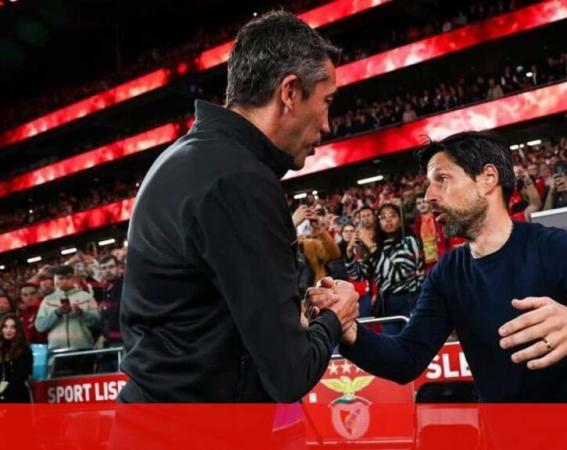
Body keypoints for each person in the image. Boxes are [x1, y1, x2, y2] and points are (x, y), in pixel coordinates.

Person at [311, 132, 567, 407]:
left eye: (442, 179)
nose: (428, 196)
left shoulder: (553, 248)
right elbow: (406, 359)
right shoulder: (447, 274)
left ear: (487, 179)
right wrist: (348, 330)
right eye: (427, 184)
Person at [118, 11, 358, 403]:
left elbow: (214, 319)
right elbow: (290, 374)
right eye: (326, 101)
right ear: (290, 92)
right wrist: (336, 315)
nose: (328, 124)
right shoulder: (239, 181)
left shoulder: (185, 158)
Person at [345, 203, 424, 335]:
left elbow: (397, 276)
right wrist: (349, 254)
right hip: (387, 303)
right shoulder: (378, 245)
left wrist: (371, 246)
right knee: (392, 347)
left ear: (400, 219)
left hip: (409, 300)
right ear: (379, 222)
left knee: (412, 345)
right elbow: (359, 275)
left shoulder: (409, 241)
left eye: (392, 215)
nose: (388, 219)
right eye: (383, 217)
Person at [35, 265, 100, 352]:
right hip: (57, 350)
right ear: (56, 280)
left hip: (83, 347)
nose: (65, 281)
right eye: (61, 278)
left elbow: (98, 320)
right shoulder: (47, 300)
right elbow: (40, 326)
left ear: (74, 278)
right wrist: (56, 314)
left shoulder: (86, 297)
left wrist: (82, 314)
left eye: (68, 278)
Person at [0, 313, 33, 403]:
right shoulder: (1, 348)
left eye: (12, 327)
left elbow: (18, 378)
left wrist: (3, 396)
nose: (8, 330)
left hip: (17, 398)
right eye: (5, 327)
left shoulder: (24, 350)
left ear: (18, 330)